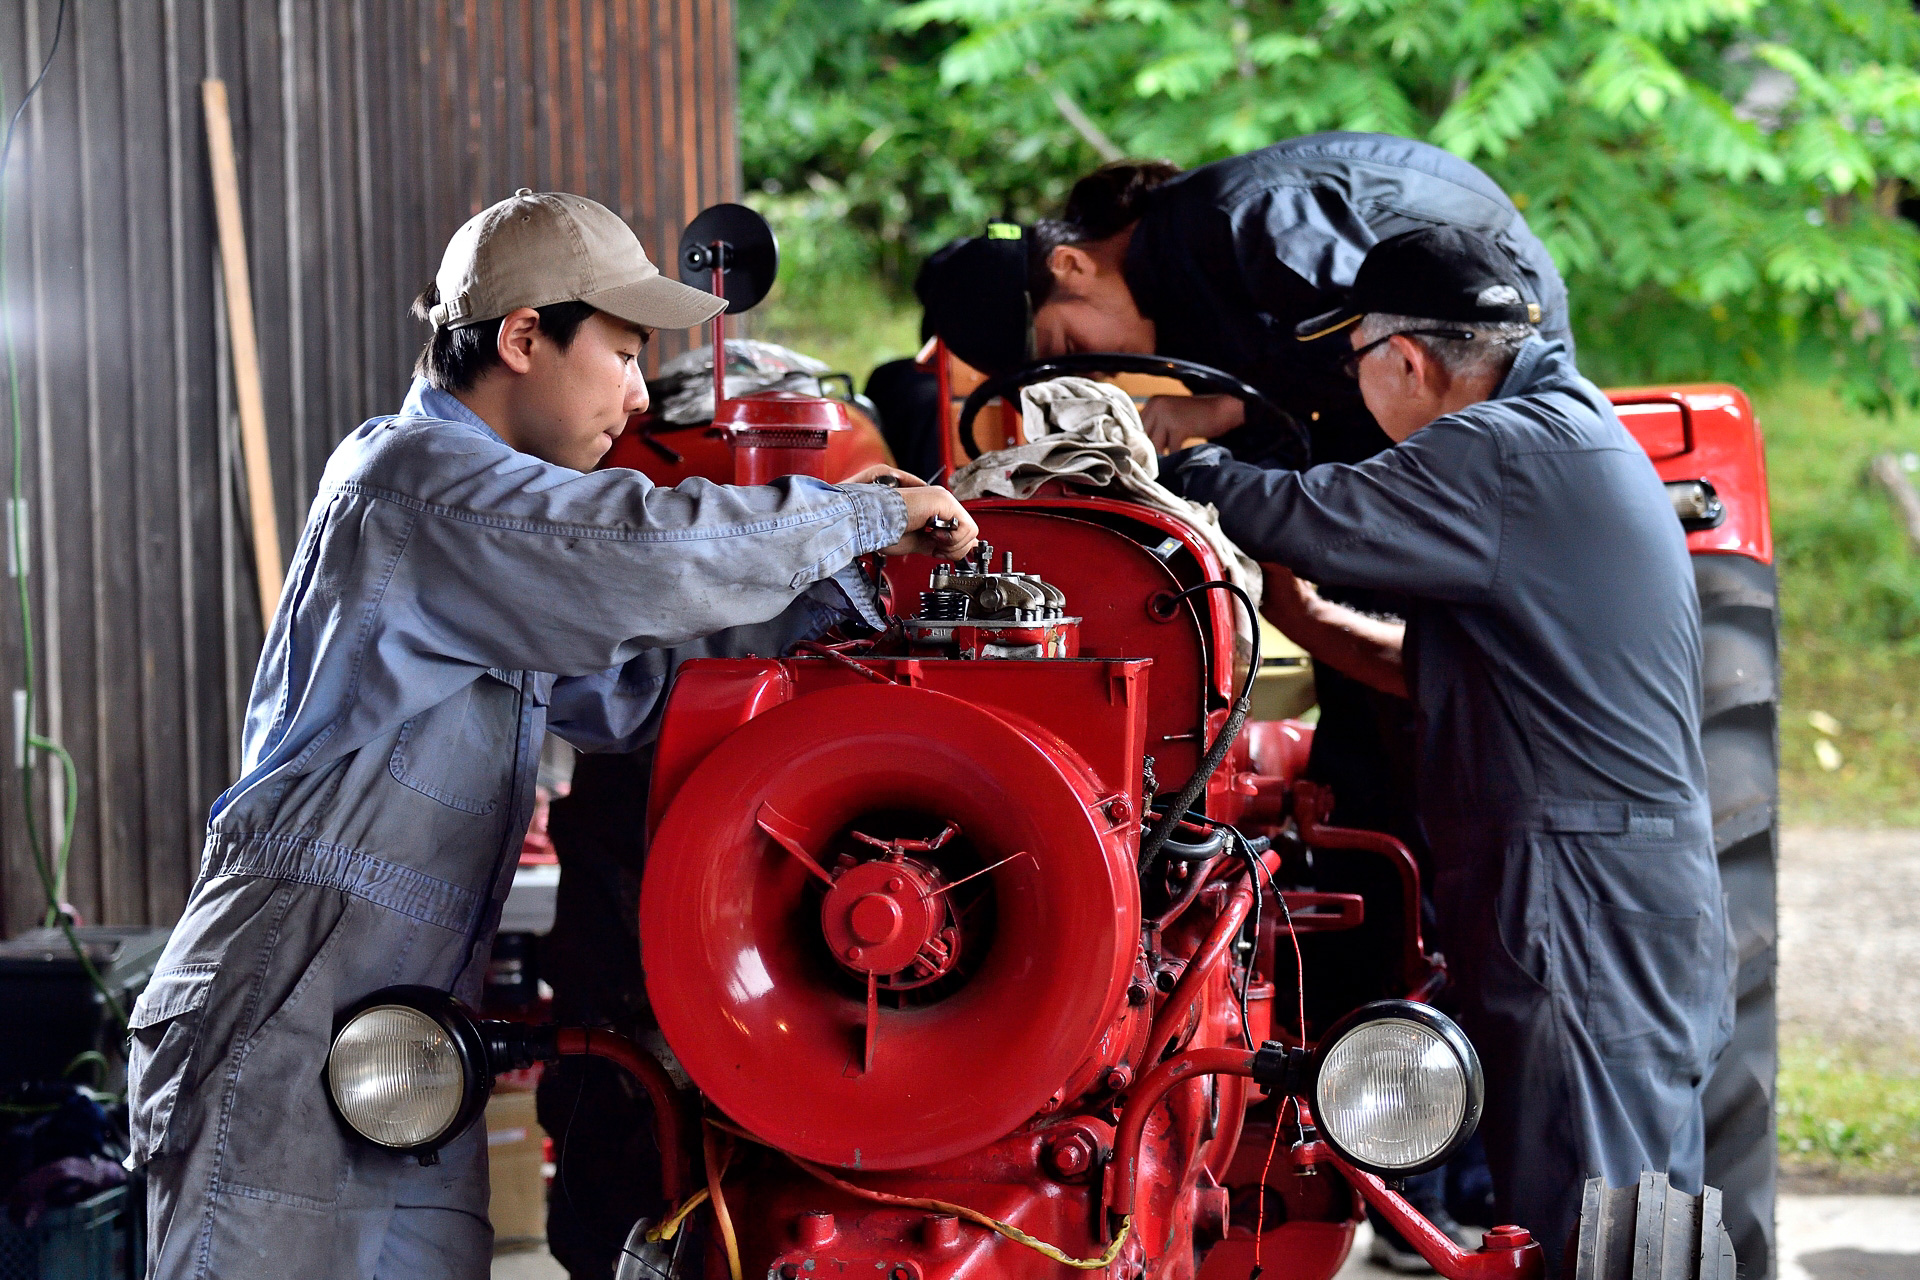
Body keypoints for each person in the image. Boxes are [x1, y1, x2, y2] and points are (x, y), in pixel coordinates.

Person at [125, 189, 977, 1280]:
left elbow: (628, 696)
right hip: (289, 997)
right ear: (525, 336)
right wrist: (858, 514)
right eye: (622, 353)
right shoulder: (417, 483)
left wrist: (839, 608)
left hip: (399, 1023)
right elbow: (636, 553)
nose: (633, 396)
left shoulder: (489, 542)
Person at [1163, 225, 1733, 1270]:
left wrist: (1179, 461)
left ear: (1407, 359)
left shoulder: (1503, 447)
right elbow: (1451, 670)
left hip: (1580, 885)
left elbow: (1303, 508)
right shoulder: (1569, 432)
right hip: (1614, 877)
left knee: (1589, 1208)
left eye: (1356, 365)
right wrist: (1310, 614)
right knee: (1637, 1204)